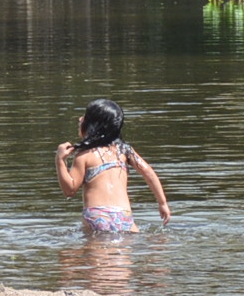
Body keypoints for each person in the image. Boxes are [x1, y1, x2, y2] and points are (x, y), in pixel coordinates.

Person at [55, 97, 172, 235]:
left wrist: (60, 161)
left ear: (92, 126)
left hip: (96, 216)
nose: (80, 119)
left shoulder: (84, 156)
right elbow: (149, 173)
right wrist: (162, 203)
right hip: (123, 215)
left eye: (85, 117)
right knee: (123, 253)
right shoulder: (125, 151)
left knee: (87, 255)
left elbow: (69, 190)